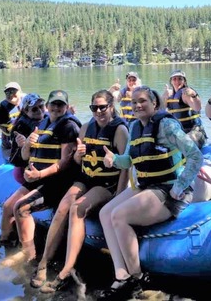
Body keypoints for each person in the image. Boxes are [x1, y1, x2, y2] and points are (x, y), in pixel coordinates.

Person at [98, 86, 203, 300]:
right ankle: (121, 273)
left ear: (155, 103)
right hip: (146, 186)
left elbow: (195, 155)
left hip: (169, 190)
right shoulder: (135, 126)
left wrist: (180, 185)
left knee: (119, 216)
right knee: (105, 213)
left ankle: (138, 278)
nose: (138, 105)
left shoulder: (167, 125)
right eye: (134, 101)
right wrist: (113, 161)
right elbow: (128, 160)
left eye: (143, 101)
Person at [36, 90, 129, 293]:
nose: (98, 111)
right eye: (94, 107)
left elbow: (125, 166)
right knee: (63, 207)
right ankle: (44, 262)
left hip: (107, 184)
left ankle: (67, 269)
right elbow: (79, 162)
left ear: (111, 107)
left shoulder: (119, 130)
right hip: (86, 178)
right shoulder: (86, 128)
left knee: (77, 208)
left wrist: (120, 196)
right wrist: (78, 155)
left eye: (102, 107)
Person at [2, 90, 81, 268]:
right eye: (53, 104)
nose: (56, 107)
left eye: (61, 104)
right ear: (48, 105)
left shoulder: (68, 126)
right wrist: (28, 144)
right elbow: (24, 156)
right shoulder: (43, 123)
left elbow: (65, 163)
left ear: (66, 107)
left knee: (21, 207)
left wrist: (39, 174)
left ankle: (29, 254)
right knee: (12, 206)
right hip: (38, 178)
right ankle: (20, 246)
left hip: (58, 181)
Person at [0, 93, 47, 248]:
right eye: (33, 109)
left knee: (16, 206)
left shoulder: (52, 121)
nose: (38, 111)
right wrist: (25, 145)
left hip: (43, 175)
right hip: (27, 174)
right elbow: (17, 160)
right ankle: (5, 238)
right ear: (26, 111)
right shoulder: (21, 127)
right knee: (8, 206)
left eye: (40, 106)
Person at [161, 70, 207, 149]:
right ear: (171, 81)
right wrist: (164, 97)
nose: (177, 81)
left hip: (195, 132)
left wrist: (194, 95)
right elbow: (160, 111)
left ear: (184, 81)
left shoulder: (186, 93)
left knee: (186, 142)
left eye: (180, 79)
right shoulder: (169, 95)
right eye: (174, 79)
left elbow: (197, 108)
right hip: (179, 132)